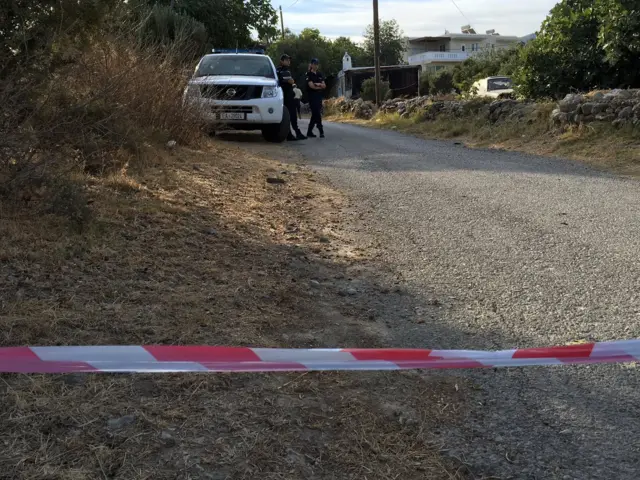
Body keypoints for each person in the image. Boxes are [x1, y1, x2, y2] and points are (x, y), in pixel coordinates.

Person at [276, 54, 306, 141]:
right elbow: (290, 81)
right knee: (291, 115)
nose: (289, 62)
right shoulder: (284, 71)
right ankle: (292, 134)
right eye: (286, 60)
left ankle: (294, 133)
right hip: (288, 96)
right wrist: (292, 82)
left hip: (283, 96)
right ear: (281, 61)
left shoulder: (277, 70)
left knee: (288, 116)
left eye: (289, 60)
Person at [305, 58, 326, 138]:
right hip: (312, 96)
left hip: (318, 96)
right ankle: (320, 129)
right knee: (316, 112)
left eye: (317, 64)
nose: (316, 65)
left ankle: (309, 131)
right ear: (312, 64)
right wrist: (319, 85)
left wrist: (318, 85)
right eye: (315, 64)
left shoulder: (319, 74)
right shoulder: (308, 74)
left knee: (315, 114)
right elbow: (311, 86)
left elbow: (324, 85)